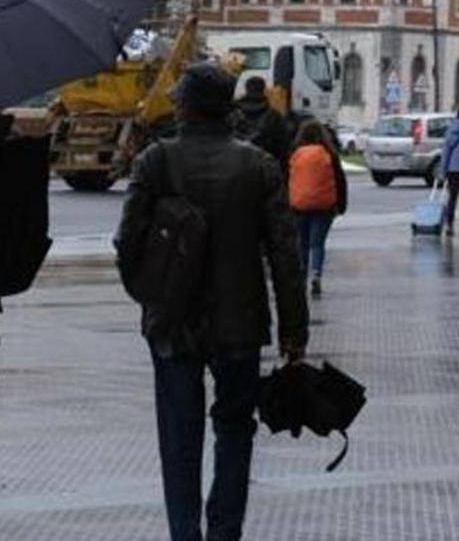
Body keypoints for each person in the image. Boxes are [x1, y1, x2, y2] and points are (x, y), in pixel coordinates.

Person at [117, 63, 309, 541]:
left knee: (179, 437)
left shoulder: (156, 162)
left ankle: (185, 533)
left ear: (184, 105)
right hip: (240, 321)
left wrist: (149, 297)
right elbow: (287, 255)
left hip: (173, 323)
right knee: (235, 431)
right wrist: (294, 329)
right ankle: (225, 531)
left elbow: (127, 242)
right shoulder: (258, 165)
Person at [288, 120, 348, 298]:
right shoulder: (329, 153)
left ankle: (302, 276)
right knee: (318, 244)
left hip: (299, 206)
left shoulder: (295, 153)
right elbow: (339, 181)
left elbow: (287, 180)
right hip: (324, 207)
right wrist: (341, 205)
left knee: (302, 244)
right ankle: (316, 275)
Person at [233, 76, 289, 167]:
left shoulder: (232, 114)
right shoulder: (274, 116)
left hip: (236, 167)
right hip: (264, 168)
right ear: (264, 90)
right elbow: (283, 149)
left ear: (246, 89)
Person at [439, 106, 459, 235]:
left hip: (453, 171)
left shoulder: (451, 130)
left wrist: (443, 169)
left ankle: (449, 225)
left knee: (452, 197)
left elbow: (446, 151)